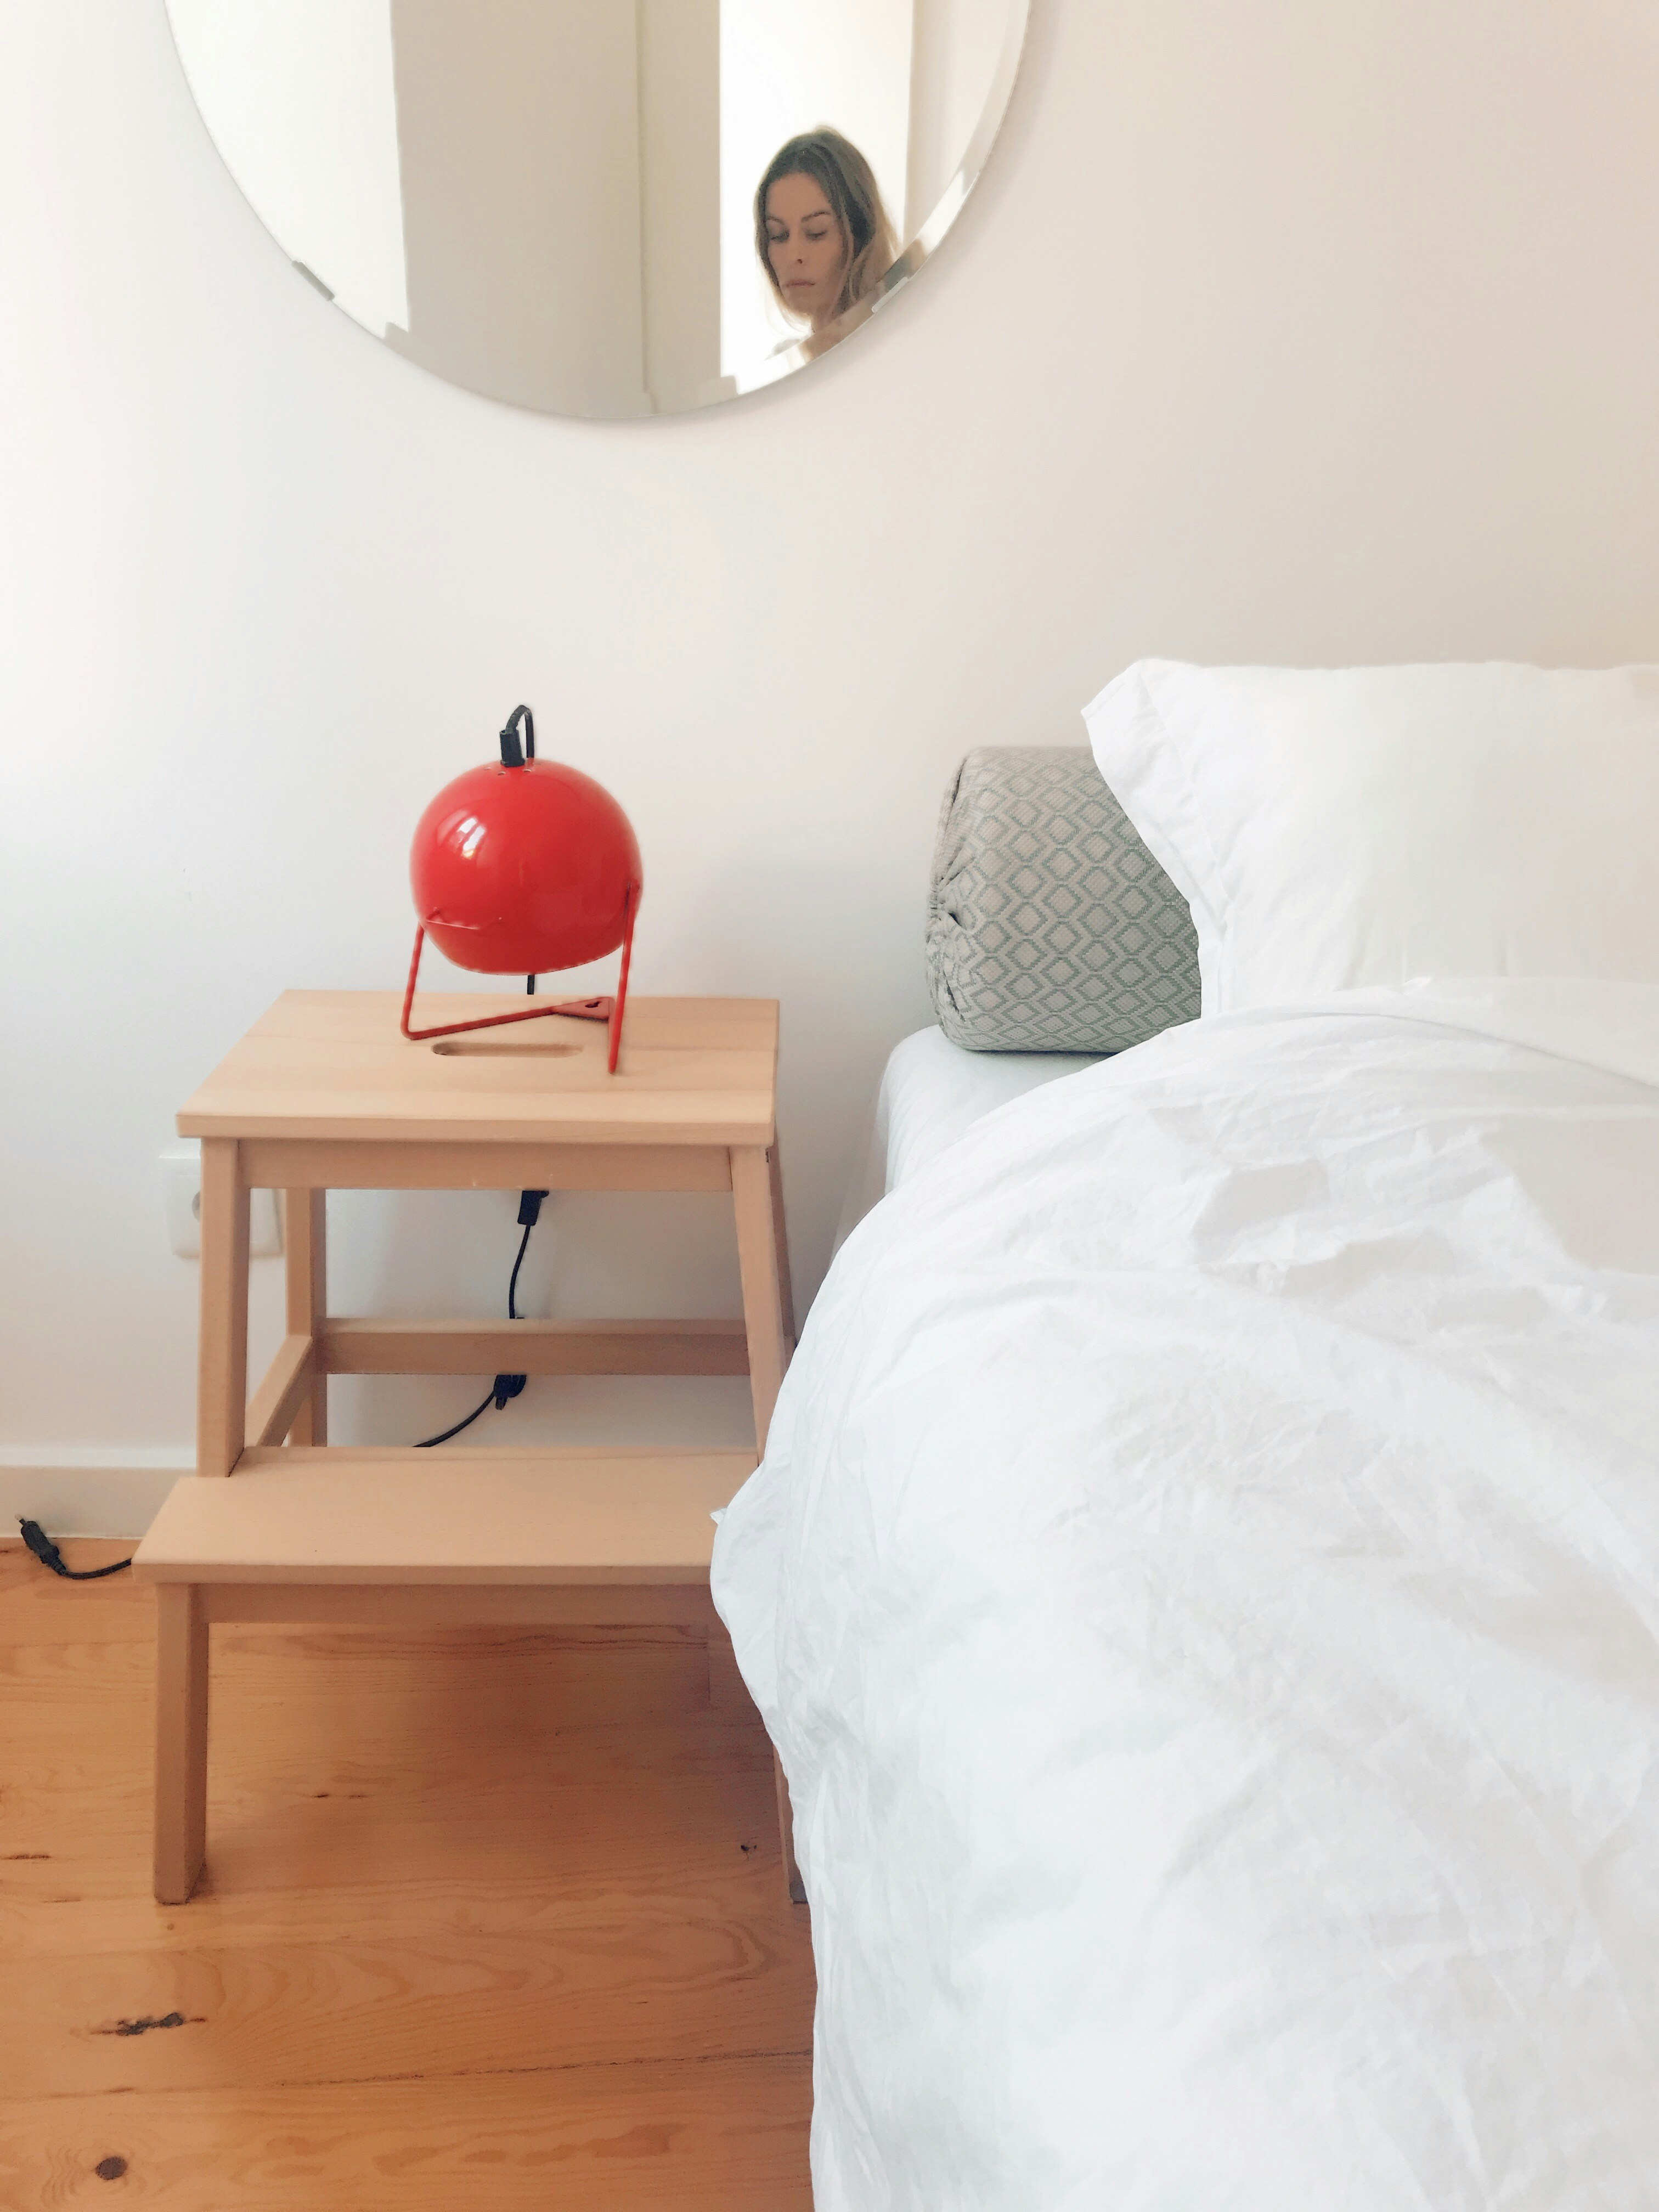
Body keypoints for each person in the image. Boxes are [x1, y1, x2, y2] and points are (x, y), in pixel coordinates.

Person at [754, 129, 897, 343]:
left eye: (816, 232)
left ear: (860, 234)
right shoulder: (784, 363)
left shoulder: (895, 352)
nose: (793, 255)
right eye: (778, 235)